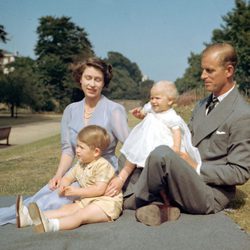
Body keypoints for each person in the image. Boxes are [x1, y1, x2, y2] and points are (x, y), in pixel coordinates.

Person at [107, 42, 250, 226]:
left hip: (209, 191)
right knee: (134, 148)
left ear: (228, 71)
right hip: (181, 174)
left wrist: (196, 166)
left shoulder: (242, 114)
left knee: (161, 153)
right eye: (202, 70)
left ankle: (134, 199)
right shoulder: (201, 105)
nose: (202, 76)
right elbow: (185, 137)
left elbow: (240, 172)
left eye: (209, 70)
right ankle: (149, 199)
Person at [0, 57, 129, 226]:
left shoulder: (114, 110)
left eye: (98, 79)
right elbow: (68, 149)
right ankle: (20, 214)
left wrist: (121, 178)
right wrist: (59, 175)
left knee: (57, 199)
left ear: (104, 83)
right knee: (49, 190)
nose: (92, 84)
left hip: (101, 176)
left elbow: (130, 146)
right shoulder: (70, 110)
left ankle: (26, 217)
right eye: (88, 78)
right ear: (80, 79)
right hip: (78, 171)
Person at [16, 125, 123, 232]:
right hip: (88, 200)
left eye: (81, 147)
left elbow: (99, 189)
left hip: (107, 203)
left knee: (81, 215)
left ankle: (52, 225)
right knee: (65, 209)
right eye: (77, 146)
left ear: (96, 152)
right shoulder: (80, 164)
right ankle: (29, 219)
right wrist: (63, 186)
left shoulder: (102, 166)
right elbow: (68, 177)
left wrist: (76, 191)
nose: (77, 150)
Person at [120, 80, 201, 173]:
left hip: (164, 142)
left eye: (157, 98)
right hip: (148, 139)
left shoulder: (171, 116)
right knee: (138, 151)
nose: (153, 101)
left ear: (170, 101)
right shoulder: (151, 107)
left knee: (161, 160)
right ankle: (130, 171)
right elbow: (143, 114)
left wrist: (176, 147)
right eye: (151, 98)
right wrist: (139, 114)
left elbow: (176, 132)